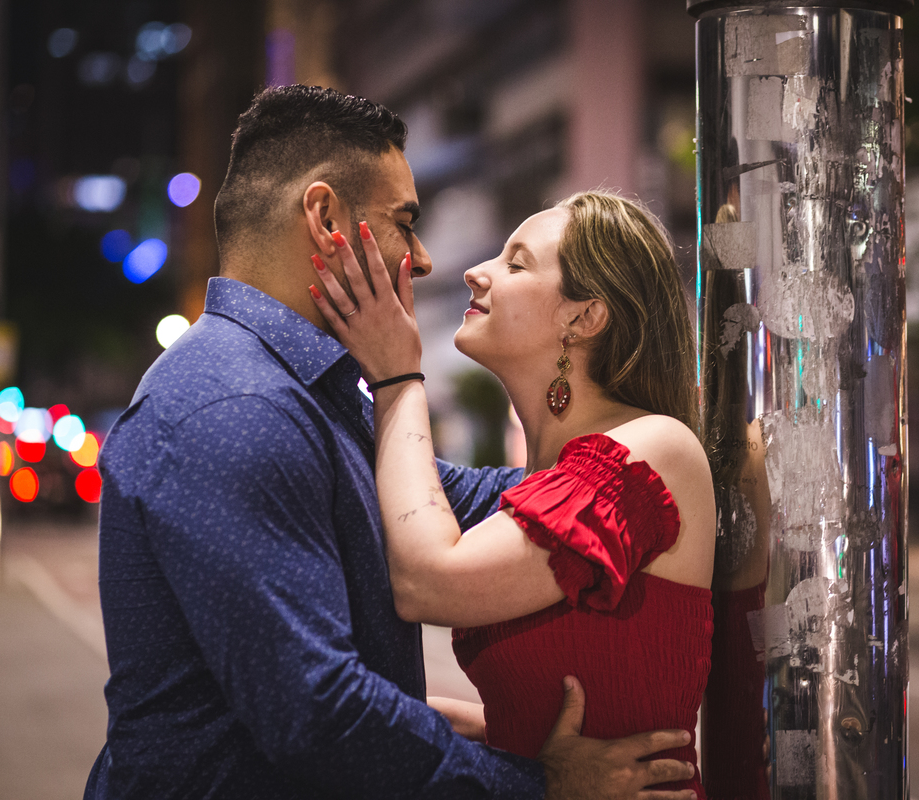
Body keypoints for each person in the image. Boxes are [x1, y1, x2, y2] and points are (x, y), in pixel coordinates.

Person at [85, 85, 695, 800]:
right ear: (325, 220)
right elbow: (317, 714)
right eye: (406, 222)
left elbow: (483, 499)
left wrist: (667, 458)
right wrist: (537, 786)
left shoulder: (307, 395)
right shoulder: (237, 406)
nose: (429, 259)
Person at [309, 191, 717, 798]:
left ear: (583, 318)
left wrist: (398, 376)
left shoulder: (652, 449)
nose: (477, 271)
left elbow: (429, 581)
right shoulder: (542, 480)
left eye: (516, 262)